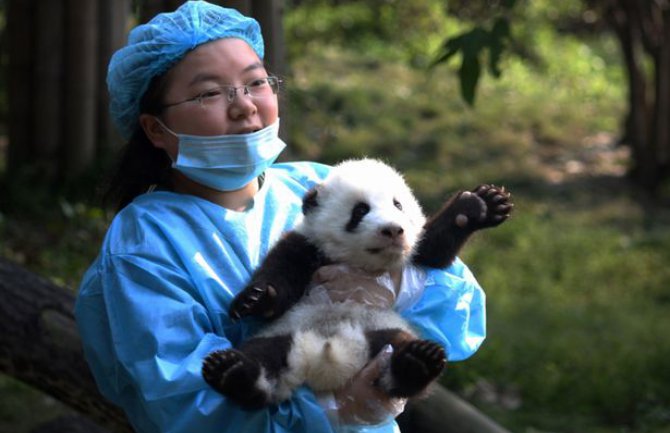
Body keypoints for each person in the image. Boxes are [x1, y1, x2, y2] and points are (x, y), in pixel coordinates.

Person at [74, 2, 487, 433]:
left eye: (256, 82)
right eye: (209, 93)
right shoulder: (145, 242)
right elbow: (185, 405)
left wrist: (398, 284)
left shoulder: (324, 186)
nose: (244, 106)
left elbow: (459, 320)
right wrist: (332, 411)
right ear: (155, 128)